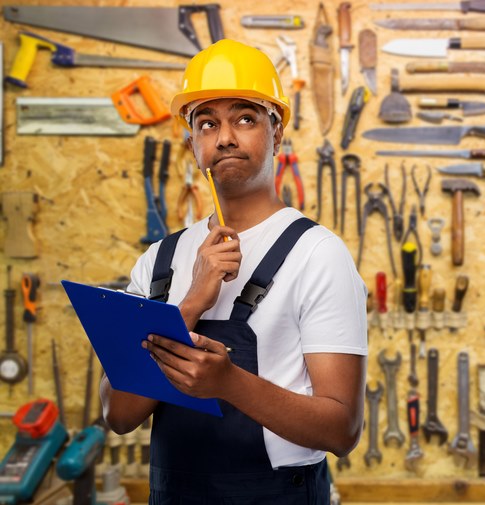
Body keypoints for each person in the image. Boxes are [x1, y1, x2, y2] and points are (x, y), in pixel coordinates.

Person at [99, 39, 368, 504]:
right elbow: (119, 414)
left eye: (245, 118)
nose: (225, 136)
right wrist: (190, 305)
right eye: (207, 123)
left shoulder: (317, 254)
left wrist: (227, 383)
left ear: (277, 133)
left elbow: (342, 430)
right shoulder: (159, 261)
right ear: (192, 144)